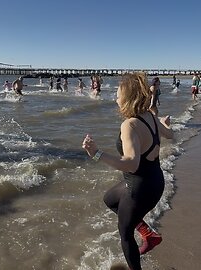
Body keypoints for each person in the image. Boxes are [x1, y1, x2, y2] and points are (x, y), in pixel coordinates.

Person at [82, 73, 173, 270]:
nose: (115, 98)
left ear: (127, 97)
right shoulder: (150, 115)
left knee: (125, 235)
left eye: (118, 94)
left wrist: (96, 154)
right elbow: (170, 135)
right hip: (156, 182)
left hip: (139, 189)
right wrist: (164, 123)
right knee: (109, 199)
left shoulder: (129, 124)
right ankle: (148, 234)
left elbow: (131, 163)